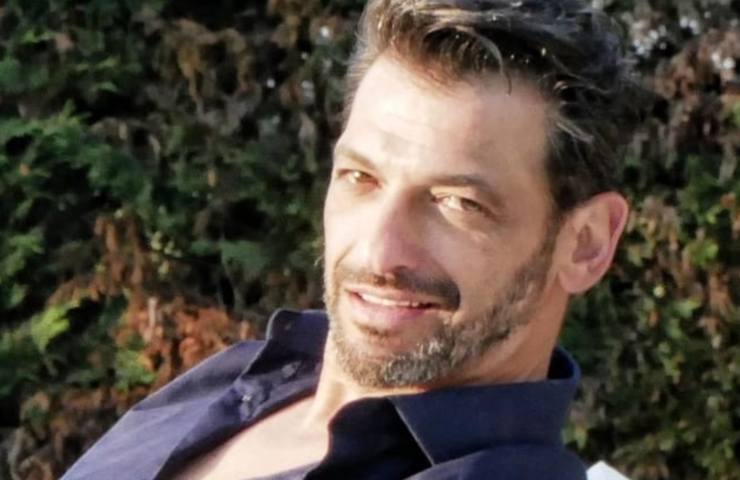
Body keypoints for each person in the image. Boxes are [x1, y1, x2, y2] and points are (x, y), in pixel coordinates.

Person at [63, 0, 645, 478]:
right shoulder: (242, 376)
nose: (378, 251)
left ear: (586, 244)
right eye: (361, 178)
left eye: (458, 203)